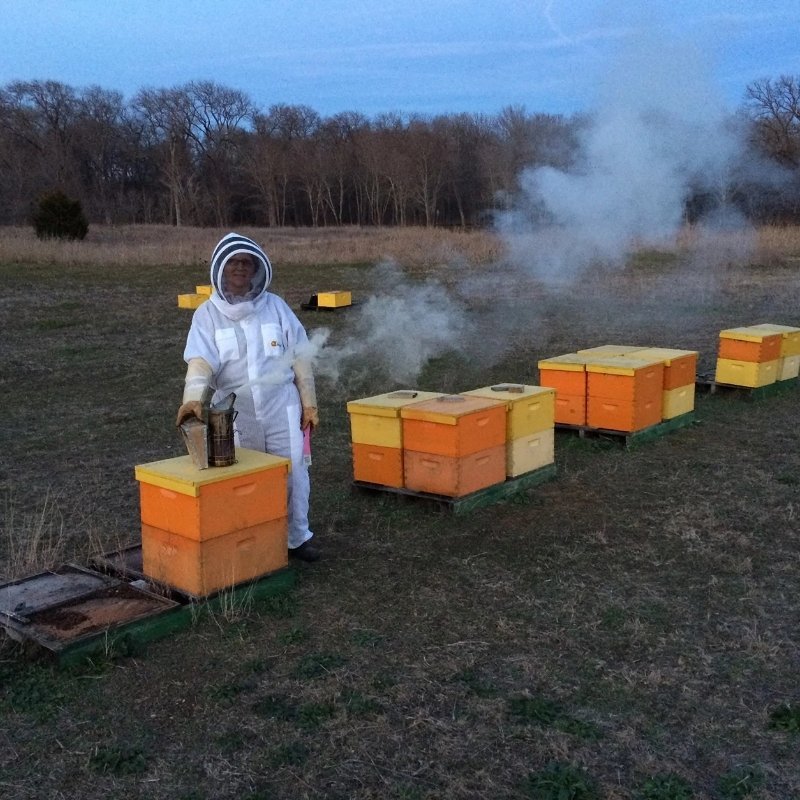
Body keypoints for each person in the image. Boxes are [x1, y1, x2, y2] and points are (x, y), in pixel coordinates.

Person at [176, 232, 320, 562]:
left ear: (255, 269)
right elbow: (201, 361)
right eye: (233, 263)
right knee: (247, 479)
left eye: (246, 263)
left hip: (282, 404)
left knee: (294, 470)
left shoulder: (277, 307)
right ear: (221, 269)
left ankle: (297, 538)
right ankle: (254, 539)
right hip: (236, 411)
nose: (240, 268)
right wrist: (192, 398)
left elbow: (301, 354)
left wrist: (309, 402)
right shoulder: (206, 316)